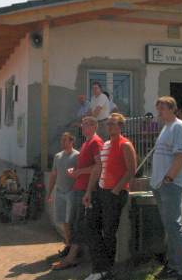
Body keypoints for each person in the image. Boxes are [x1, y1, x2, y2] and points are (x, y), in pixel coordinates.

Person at [83, 113, 137, 280]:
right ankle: (99, 267)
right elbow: (99, 168)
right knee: (91, 226)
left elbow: (131, 171)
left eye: (113, 124)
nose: (110, 127)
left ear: (120, 126)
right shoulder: (105, 144)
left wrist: (116, 189)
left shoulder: (125, 144)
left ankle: (106, 269)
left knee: (108, 231)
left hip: (115, 193)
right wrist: (89, 191)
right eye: (108, 124)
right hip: (101, 191)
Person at [151, 96, 182, 280]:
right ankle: (174, 265)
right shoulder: (166, 128)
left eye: (161, 108)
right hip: (160, 184)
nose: (158, 112)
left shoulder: (178, 126)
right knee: (169, 226)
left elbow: (181, 155)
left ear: (171, 109)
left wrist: (169, 177)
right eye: (158, 108)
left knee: (174, 225)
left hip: (170, 184)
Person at [58, 117, 103, 269]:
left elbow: (99, 165)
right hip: (80, 187)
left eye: (84, 125)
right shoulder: (86, 143)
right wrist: (76, 172)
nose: (82, 127)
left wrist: (79, 172)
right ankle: (72, 254)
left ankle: (72, 257)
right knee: (76, 222)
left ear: (92, 126)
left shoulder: (96, 142)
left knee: (79, 223)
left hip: (86, 189)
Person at [46, 132, 79, 270]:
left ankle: (74, 249)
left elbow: (79, 173)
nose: (63, 142)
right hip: (59, 191)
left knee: (70, 219)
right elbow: (54, 174)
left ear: (72, 141)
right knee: (63, 220)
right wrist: (49, 192)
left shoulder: (77, 155)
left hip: (71, 191)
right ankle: (68, 244)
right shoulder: (58, 156)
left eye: (66, 140)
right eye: (62, 140)